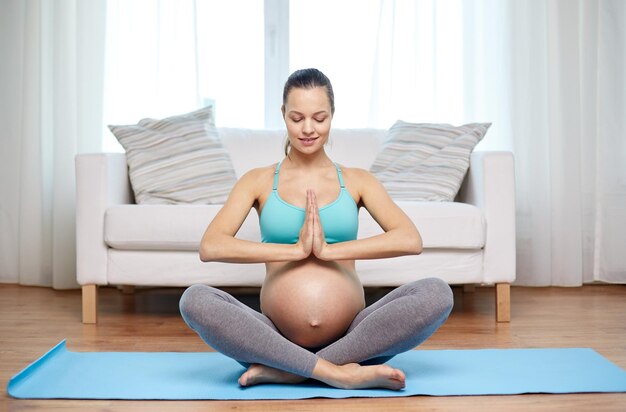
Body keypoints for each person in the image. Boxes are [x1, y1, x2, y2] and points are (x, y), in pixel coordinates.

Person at [179, 68, 453, 390]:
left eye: (319, 118)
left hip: (355, 336)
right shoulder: (258, 180)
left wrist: (328, 251)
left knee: (436, 293)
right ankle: (336, 372)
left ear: (332, 116)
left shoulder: (356, 180)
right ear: (283, 115)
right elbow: (211, 246)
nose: (308, 129)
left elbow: (410, 239)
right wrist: (294, 251)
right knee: (194, 299)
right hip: (273, 337)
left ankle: (290, 370)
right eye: (297, 118)